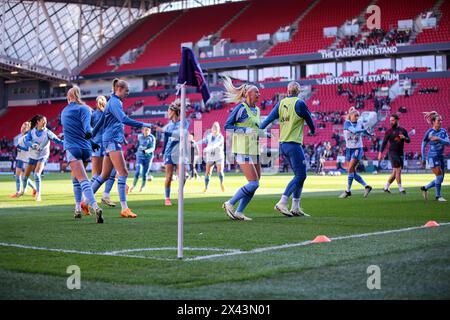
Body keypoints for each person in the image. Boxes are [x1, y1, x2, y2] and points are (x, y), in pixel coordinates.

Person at [89, 78, 152, 218]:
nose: (128, 93)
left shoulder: (111, 102)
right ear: (119, 89)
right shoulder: (115, 102)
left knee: (104, 175)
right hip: (112, 140)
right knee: (123, 173)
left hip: (108, 140)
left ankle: (85, 201)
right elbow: (124, 119)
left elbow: (100, 122)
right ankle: (124, 208)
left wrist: (91, 135)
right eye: (126, 91)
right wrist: (144, 124)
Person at [260, 81, 315, 217]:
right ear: (299, 91)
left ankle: (295, 207)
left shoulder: (281, 103)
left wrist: (259, 129)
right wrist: (313, 130)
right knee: (301, 175)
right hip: (293, 144)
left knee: (299, 176)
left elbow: (268, 119)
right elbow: (309, 119)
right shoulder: (300, 103)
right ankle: (282, 202)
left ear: (287, 91)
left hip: (283, 144)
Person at [222, 76, 262, 221]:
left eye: (259, 92)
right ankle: (230, 203)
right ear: (247, 94)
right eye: (256, 92)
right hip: (242, 149)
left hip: (255, 150)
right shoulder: (240, 108)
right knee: (253, 183)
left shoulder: (257, 110)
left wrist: (264, 133)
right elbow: (227, 126)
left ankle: (239, 211)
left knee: (255, 184)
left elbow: (255, 128)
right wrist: (245, 131)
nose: (259, 94)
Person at [61, 86, 103, 222]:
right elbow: (86, 128)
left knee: (83, 180)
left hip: (72, 148)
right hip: (86, 149)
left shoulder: (64, 111)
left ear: (69, 98)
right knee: (76, 179)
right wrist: (92, 142)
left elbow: (72, 130)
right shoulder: (85, 109)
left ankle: (95, 206)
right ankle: (77, 208)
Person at [155, 100, 190, 206]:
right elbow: (166, 139)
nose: (167, 114)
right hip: (169, 153)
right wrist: (162, 151)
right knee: (169, 176)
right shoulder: (169, 126)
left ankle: (180, 191)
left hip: (180, 152)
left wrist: (164, 131)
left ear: (174, 112)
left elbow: (180, 134)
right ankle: (167, 198)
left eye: (169, 112)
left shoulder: (184, 123)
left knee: (182, 176)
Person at [21, 115, 63, 202]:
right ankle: (23, 190)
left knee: (37, 174)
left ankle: (38, 194)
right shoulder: (31, 132)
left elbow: (57, 141)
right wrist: (32, 145)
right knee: (25, 177)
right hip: (32, 156)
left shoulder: (48, 132)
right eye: (43, 121)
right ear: (37, 122)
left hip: (43, 155)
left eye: (46, 121)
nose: (45, 122)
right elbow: (26, 141)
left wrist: (68, 144)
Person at [339, 107, 373, 198]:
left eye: (358, 115)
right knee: (352, 172)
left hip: (358, 148)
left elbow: (363, 132)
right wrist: (364, 131)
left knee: (350, 169)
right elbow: (354, 131)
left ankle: (348, 191)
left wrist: (369, 134)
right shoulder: (347, 123)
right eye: (355, 115)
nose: (357, 117)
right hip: (349, 149)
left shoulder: (359, 122)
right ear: (350, 116)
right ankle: (366, 186)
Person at [90, 95, 117, 207]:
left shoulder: (93, 115)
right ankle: (104, 195)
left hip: (96, 145)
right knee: (112, 171)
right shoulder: (108, 114)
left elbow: (88, 129)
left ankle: (86, 198)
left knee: (97, 174)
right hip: (107, 144)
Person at [420, 111, 449, 202]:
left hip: (441, 156)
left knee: (440, 179)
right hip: (432, 157)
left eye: (441, 120)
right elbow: (423, 145)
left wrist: (438, 139)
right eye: (438, 120)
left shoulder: (443, 131)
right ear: (433, 122)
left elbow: (448, 143)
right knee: (439, 177)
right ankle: (438, 196)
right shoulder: (429, 132)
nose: (440, 122)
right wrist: (423, 158)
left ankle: (425, 188)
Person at [377, 114, 410, 194]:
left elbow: (409, 140)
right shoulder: (389, 131)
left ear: (397, 120)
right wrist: (380, 153)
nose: (391, 122)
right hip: (392, 152)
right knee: (398, 169)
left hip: (400, 153)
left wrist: (404, 138)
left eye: (392, 120)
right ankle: (400, 188)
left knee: (395, 172)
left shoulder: (403, 130)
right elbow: (384, 143)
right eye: (390, 121)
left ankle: (386, 187)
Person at [196, 122, 225, 193]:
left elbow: (216, 145)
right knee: (207, 172)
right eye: (213, 128)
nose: (214, 129)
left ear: (218, 129)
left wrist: (208, 148)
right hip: (210, 157)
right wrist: (196, 143)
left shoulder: (221, 137)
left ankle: (221, 184)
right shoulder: (209, 136)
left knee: (220, 171)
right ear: (211, 129)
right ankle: (206, 187)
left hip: (219, 156)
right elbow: (204, 140)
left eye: (216, 128)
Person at [10, 122, 37, 198]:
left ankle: (18, 192)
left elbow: (28, 148)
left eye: (24, 127)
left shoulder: (25, 137)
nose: (22, 128)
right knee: (22, 176)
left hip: (24, 159)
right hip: (20, 157)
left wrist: (20, 147)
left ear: (27, 129)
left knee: (19, 176)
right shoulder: (20, 137)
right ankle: (34, 188)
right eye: (22, 126)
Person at [130, 127, 155, 193]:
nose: (147, 132)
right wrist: (136, 152)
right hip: (140, 157)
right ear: (142, 131)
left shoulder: (152, 138)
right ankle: (133, 186)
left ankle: (142, 187)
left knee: (144, 174)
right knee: (138, 171)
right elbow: (137, 145)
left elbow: (153, 148)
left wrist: (147, 151)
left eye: (148, 130)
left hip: (148, 158)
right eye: (145, 130)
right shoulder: (139, 137)